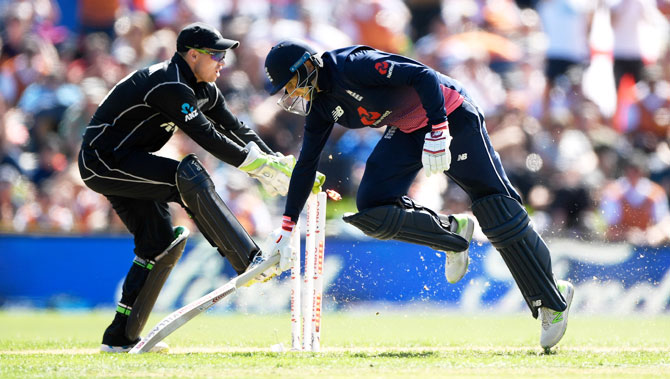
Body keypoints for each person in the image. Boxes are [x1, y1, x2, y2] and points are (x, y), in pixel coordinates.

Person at [262, 40, 575, 351]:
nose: (293, 93)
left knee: (495, 209)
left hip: (449, 113)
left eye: (291, 83)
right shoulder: (321, 104)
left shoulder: (354, 64)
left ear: (306, 65)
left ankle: (551, 299)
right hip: (409, 128)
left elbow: (423, 75)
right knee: (373, 206)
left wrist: (439, 129)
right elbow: (306, 164)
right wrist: (287, 225)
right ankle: (452, 232)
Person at [78, 23, 310, 353]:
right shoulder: (170, 83)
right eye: (216, 55)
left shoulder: (204, 89)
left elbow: (236, 129)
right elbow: (208, 137)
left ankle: (119, 339)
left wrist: (276, 163)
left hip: (128, 161)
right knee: (186, 174)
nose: (222, 62)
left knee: (158, 245)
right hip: (102, 161)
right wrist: (258, 167)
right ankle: (247, 259)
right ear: (193, 55)